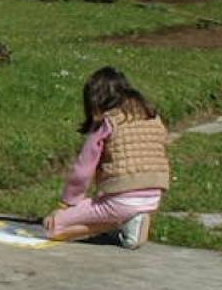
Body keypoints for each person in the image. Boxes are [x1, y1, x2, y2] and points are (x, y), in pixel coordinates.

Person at [43, 67, 169, 248]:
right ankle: (128, 223)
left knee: (54, 227)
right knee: (105, 209)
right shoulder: (151, 117)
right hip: (153, 194)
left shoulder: (107, 122)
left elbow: (83, 171)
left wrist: (67, 204)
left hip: (122, 199)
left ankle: (121, 222)